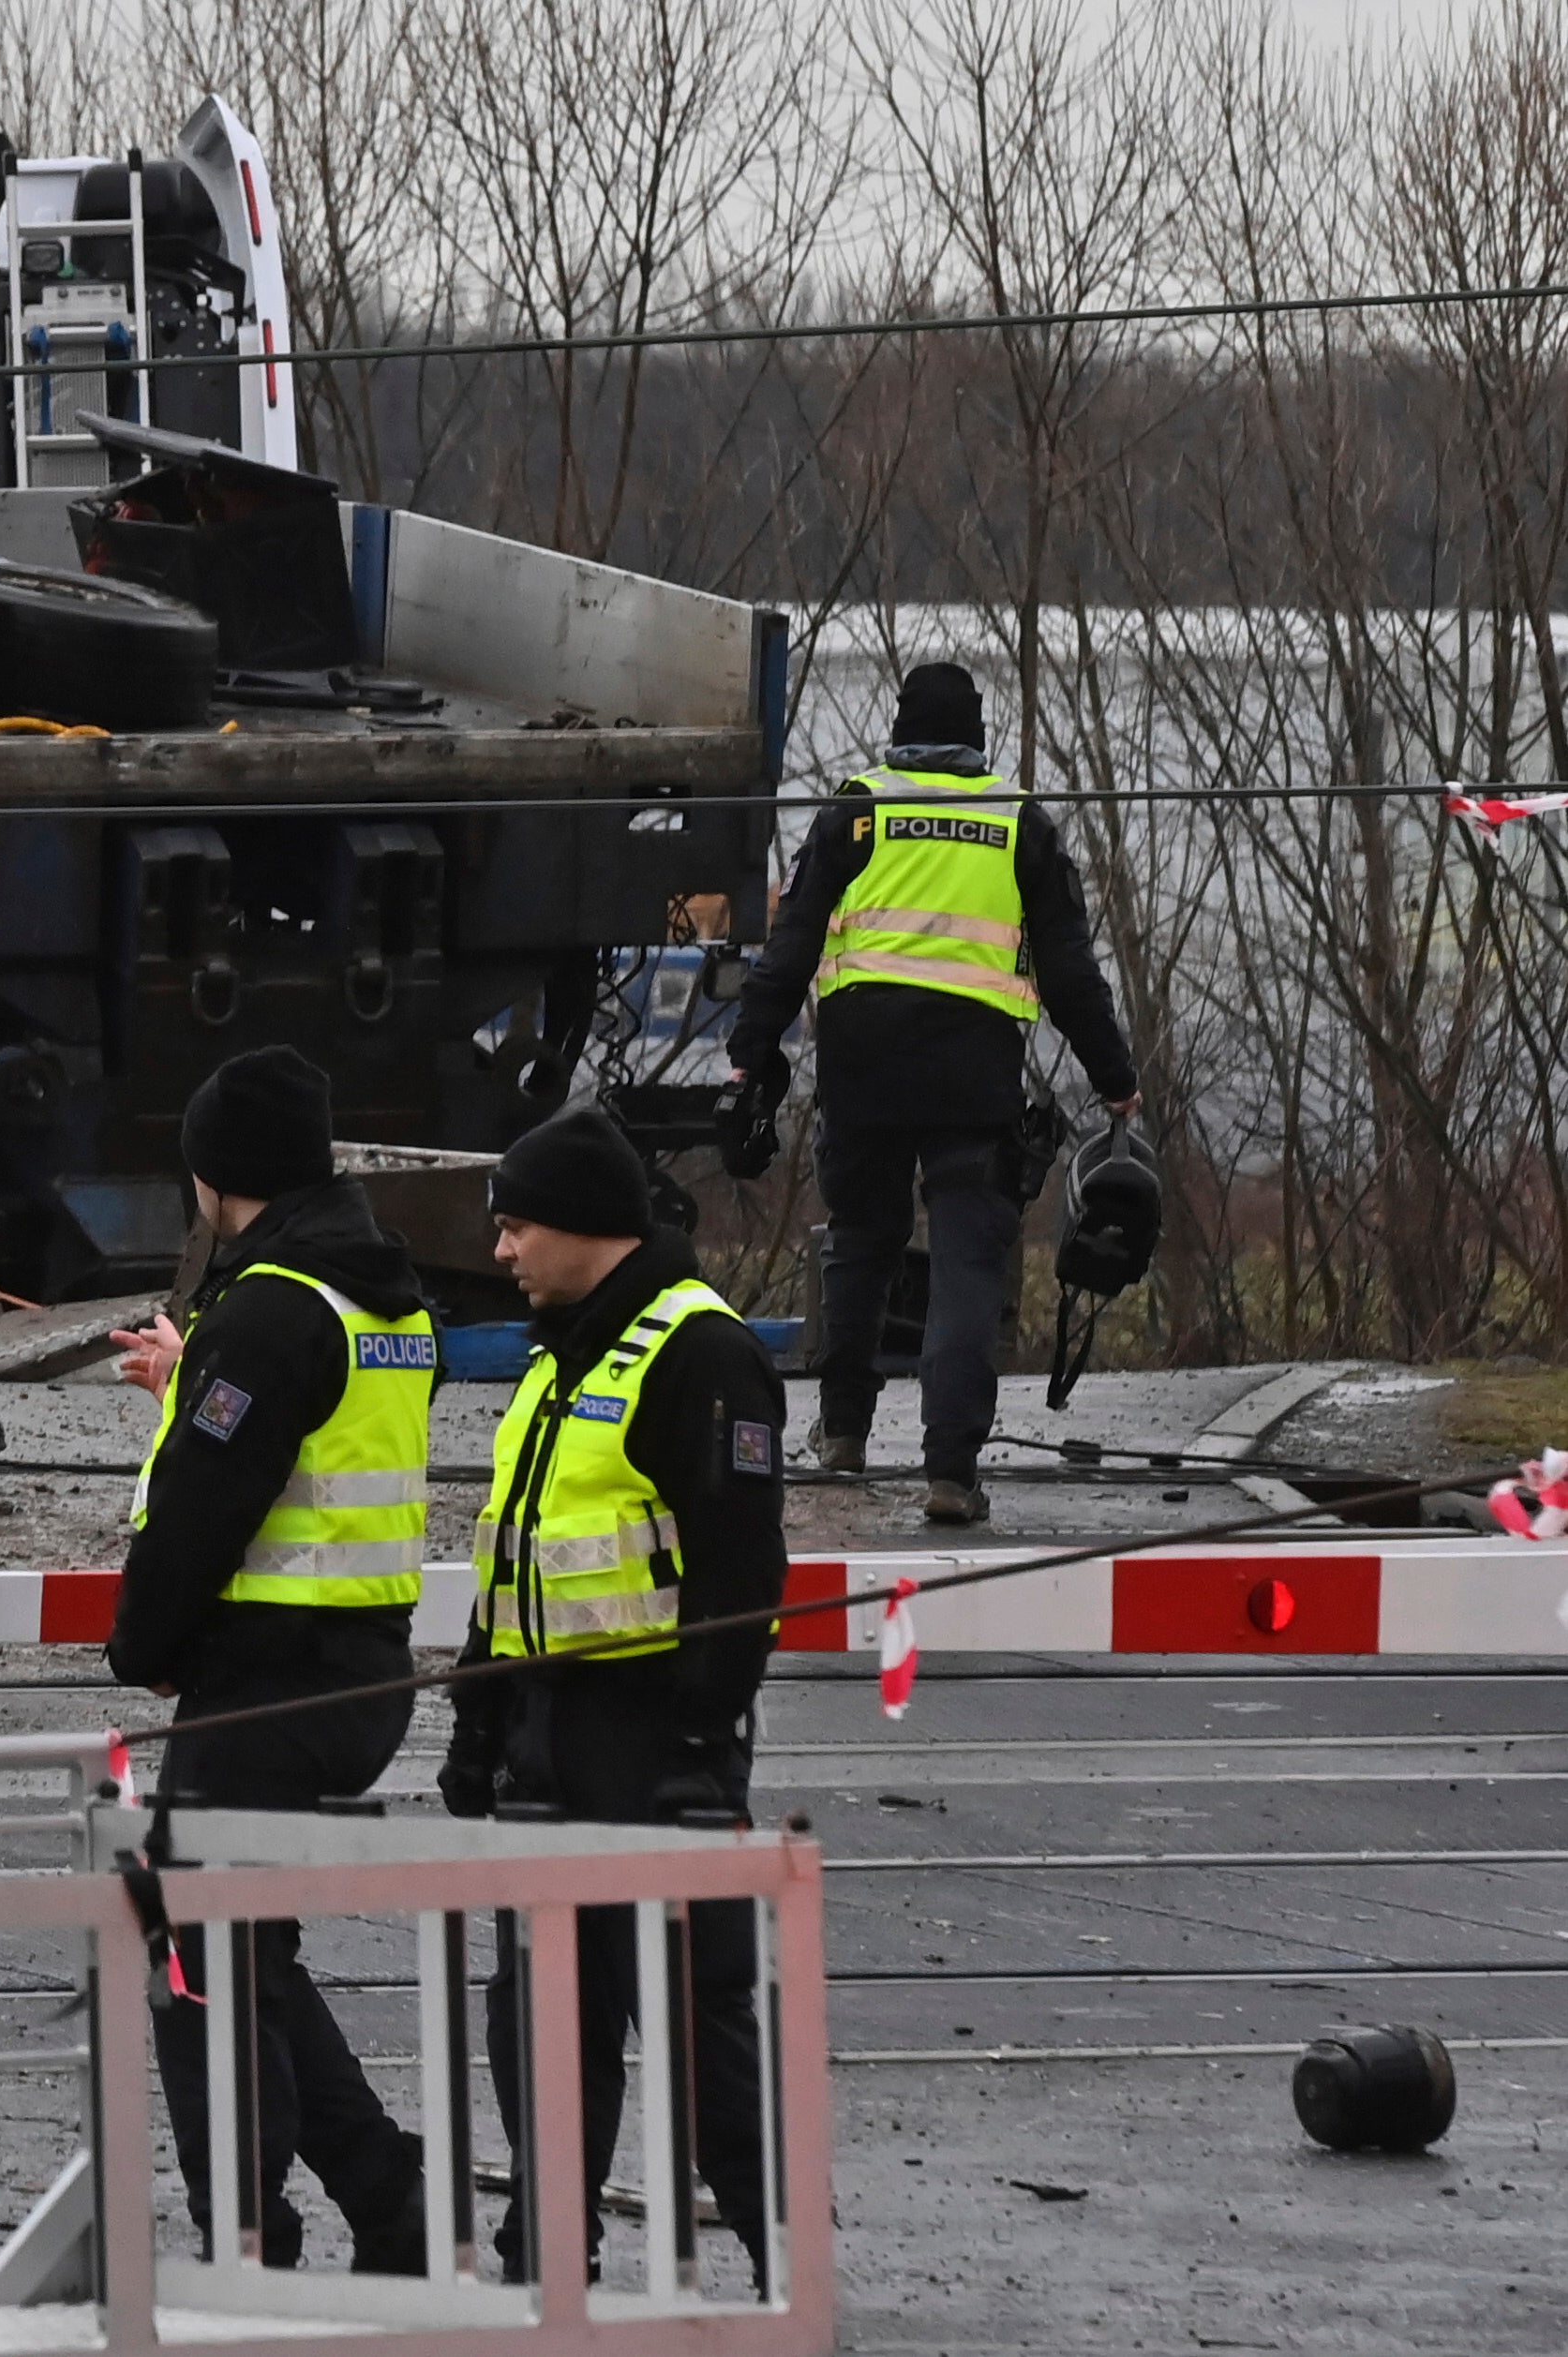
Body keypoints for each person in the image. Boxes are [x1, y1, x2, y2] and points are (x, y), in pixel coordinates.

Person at [441, 1104, 784, 2290]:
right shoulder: (555, 1359)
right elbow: (512, 1560)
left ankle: (781, 2258)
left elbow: (742, 1576)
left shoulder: (702, 1353)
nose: (501, 1251)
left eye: (516, 1226)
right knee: (538, 2022)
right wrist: (477, 1725)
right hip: (546, 1738)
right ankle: (548, 2264)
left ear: (585, 1229)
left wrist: (698, 1746)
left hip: (652, 1747)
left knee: (700, 2032)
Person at [106, 1046, 432, 2275]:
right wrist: (193, 1379)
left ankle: (249, 2228)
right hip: (359, 1663)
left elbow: (204, 1506)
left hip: (269, 1676)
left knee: (196, 1941)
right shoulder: (377, 1292)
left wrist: (145, 1647)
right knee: (242, 1943)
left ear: (215, 1174)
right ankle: (385, 2195)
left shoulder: (276, 1305)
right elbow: (302, 1447)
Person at [725, 661, 1139, 1524]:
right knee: (966, 1267)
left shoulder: (857, 809)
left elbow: (789, 942)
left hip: (862, 1069)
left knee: (860, 1245)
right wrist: (1114, 1079)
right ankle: (950, 1472)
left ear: (899, 732)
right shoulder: (1016, 820)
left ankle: (842, 1434)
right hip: (973, 1076)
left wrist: (748, 1049)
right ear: (977, 737)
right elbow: (1069, 970)